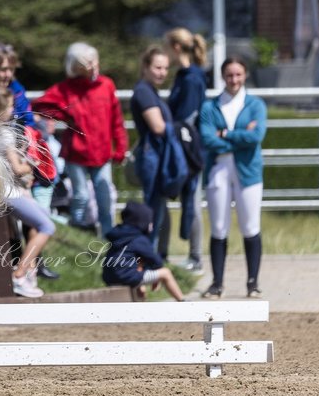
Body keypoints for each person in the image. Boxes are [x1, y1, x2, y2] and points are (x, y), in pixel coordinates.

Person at [0, 86, 56, 298]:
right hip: (9, 192)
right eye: (10, 106)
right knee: (47, 226)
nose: (13, 110)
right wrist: (32, 163)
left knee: (40, 220)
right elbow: (17, 169)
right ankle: (19, 275)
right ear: (2, 111)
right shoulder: (6, 133)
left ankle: (27, 274)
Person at [36, 42, 128, 234]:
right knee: (81, 196)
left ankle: (108, 241)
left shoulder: (106, 85)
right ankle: (76, 237)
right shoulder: (67, 88)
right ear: (78, 68)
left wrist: (120, 147)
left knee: (105, 199)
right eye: (89, 65)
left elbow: (116, 119)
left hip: (101, 153)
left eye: (95, 62)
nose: (94, 67)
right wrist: (66, 115)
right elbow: (41, 105)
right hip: (76, 153)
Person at [198, 56, 268, 299]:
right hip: (219, 169)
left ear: (245, 75)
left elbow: (256, 136)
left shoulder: (255, 105)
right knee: (218, 227)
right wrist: (238, 137)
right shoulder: (210, 107)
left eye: (238, 74)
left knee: (250, 225)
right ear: (223, 76)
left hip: (248, 171)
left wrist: (225, 133)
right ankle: (217, 283)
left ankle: (252, 282)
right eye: (229, 75)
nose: (234, 79)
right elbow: (207, 138)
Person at [165, 27, 209, 274]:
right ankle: (190, 256)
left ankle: (196, 257)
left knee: (191, 201)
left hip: (188, 148)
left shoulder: (191, 78)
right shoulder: (185, 75)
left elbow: (188, 117)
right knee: (187, 200)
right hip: (183, 145)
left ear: (176, 47)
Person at [130, 46, 176, 252]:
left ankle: (157, 255)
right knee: (152, 209)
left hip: (157, 157)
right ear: (146, 67)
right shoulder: (143, 91)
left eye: (165, 68)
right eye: (158, 67)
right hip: (151, 158)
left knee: (159, 208)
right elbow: (157, 126)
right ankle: (147, 256)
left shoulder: (151, 91)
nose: (162, 73)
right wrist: (183, 129)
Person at [102, 201, 184, 301]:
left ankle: (141, 304)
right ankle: (183, 301)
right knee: (165, 273)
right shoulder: (138, 239)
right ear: (142, 222)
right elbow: (156, 261)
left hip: (109, 277)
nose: (151, 225)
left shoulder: (119, 235)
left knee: (139, 267)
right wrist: (156, 277)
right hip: (126, 276)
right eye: (150, 221)